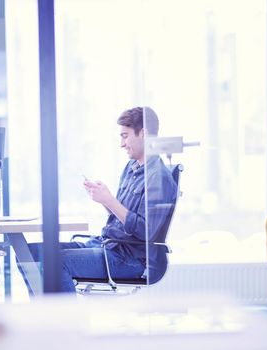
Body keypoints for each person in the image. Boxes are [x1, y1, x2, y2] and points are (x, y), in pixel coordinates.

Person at [20, 106, 178, 293]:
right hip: (107, 244)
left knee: (56, 262)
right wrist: (103, 199)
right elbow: (122, 215)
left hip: (129, 258)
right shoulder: (132, 168)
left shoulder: (158, 178)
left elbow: (146, 232)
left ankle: (63, 321)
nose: (121, 143)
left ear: (143, 133)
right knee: (26, 255)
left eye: (125, 136)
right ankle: (42, 315)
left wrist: (110, 200)